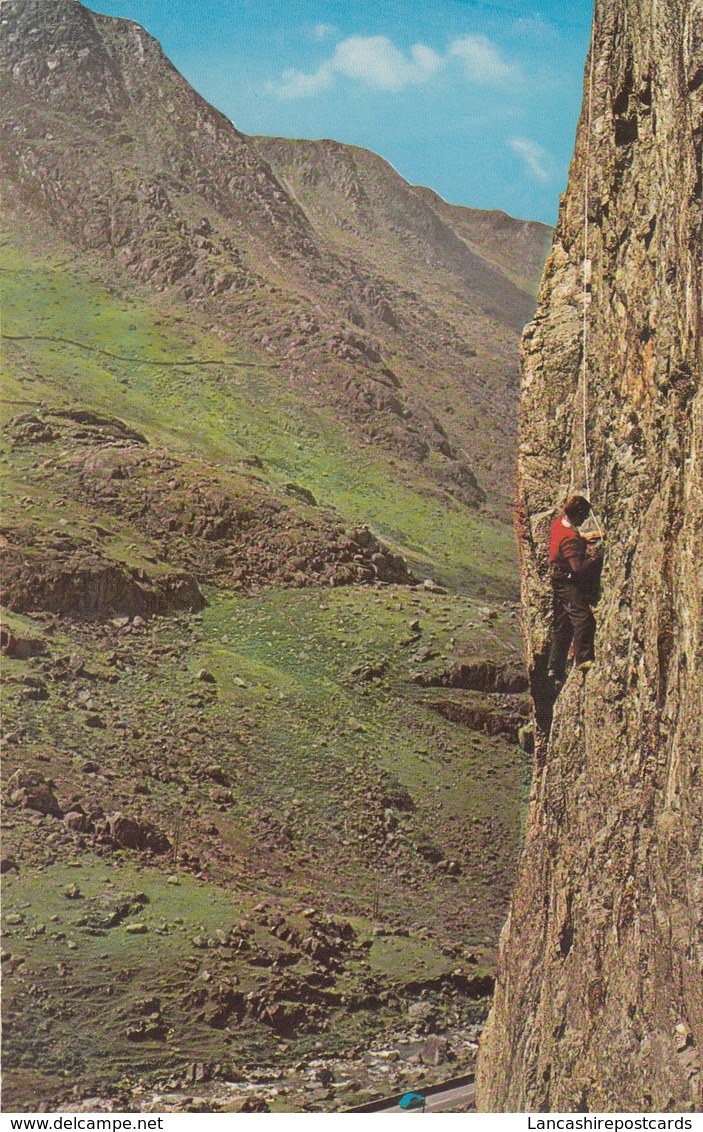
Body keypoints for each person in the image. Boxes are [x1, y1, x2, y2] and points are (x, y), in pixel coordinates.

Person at [547, 494, 603, 683]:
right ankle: (584, 659)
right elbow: (578, 568)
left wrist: (583, 538)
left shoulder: (559, 524)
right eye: (585, 515)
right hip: (566, 581)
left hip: (558, 577)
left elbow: (565, 539)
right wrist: (597, 557)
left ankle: (555, 668)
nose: (586, 518)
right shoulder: (570, 537)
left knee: (562, 624)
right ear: (577, 514)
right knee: (583, 618)